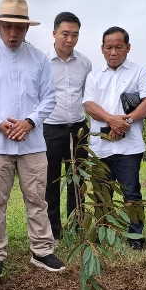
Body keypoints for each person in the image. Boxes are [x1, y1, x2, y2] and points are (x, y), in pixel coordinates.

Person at [0, 0, 65, 274]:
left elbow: (48, 98)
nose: (13, 34)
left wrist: (29, 122)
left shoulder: (39, 59)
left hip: (32, 143)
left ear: (26, 30)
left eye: (19, 28)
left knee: (36, 198)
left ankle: (42, 251)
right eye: (7, 27)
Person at [83, 26, 146, 250]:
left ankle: (134, 236)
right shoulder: (94, 76)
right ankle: (103, 233)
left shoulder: (139, 72)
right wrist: (113, 120)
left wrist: (127, 122)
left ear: (127, 48)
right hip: (100, 146)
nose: (113, 52)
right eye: (109, 48)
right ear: (102, 50)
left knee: (131, 191)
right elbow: (89, 105)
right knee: (100, 192)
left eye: (118, 47)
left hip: (129, 147)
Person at [44, 12, 92, 242]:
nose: (70, 39)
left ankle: (78, 225)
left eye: (75, 35)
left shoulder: (85, 63)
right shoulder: (42, 61)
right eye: (65, 34)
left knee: (78, 179)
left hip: (79, 129)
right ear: (54, 33)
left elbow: (87, 95)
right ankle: (53, 230)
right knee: (51, 180)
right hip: (50, 129)